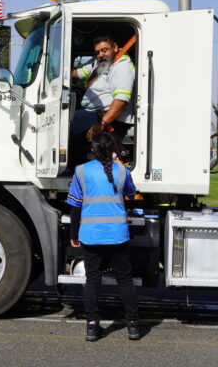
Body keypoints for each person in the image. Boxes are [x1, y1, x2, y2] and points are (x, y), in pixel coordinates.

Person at [67, 131, 140, 342]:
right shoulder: (122, 171)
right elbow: (131, 194)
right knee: (125, 280)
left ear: (93, 149)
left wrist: (73, 234)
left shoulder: (81, 171)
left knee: (92, 281)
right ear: (114, 149)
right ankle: (133, 326)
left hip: (91, 235)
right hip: (117, 234)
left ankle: (92, 327)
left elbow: (75, 207)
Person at [71, 35, 136, 144]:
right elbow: (79, 73)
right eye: (97, 52)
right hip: (95, 113)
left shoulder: (122, 67)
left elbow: (121, 101)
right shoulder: (102, 62)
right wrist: (58, 69)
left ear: (115, 48)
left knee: (68, 125)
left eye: (104, 50)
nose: (100, 55)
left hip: (111, 120)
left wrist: (102, 123)